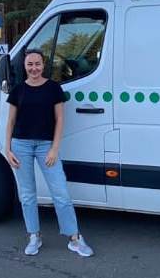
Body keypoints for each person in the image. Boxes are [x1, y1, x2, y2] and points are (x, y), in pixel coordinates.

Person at [5, 48, 94, 257]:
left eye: (37, 64)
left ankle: (74, 238)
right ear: (25, 66)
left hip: (46, 145)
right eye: (30, 64)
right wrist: (7, 149)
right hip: (21, 145)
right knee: (27, 195)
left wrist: (54, 148)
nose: (34, 68)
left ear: (43, 65)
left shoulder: (53, 88)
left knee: (60, 193)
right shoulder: (18, 90)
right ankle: (34, 235)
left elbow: (60, 119)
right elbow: (10, 121)